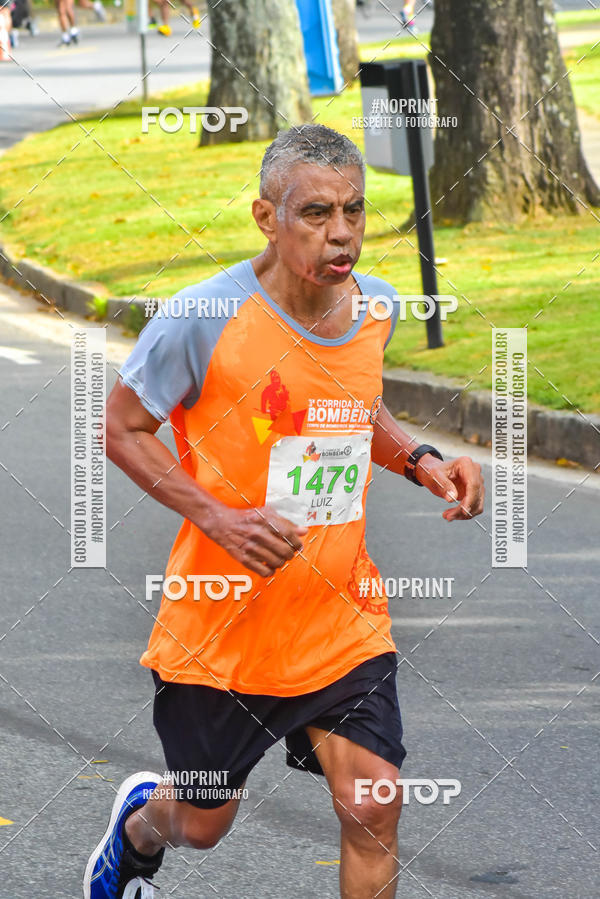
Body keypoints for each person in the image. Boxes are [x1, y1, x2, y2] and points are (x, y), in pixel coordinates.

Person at [84, 123, 484, 899]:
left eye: (356, 211)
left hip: (338, 618)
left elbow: (353, 406)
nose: (343, 234)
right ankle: (139, 824)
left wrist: (421, 462)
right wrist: (220, 519)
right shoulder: (204, 316)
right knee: (202, 822)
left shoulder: (376, 308)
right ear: (267, 217)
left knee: (373, 801)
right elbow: (119, 427)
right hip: (223, 626)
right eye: (316, 213)